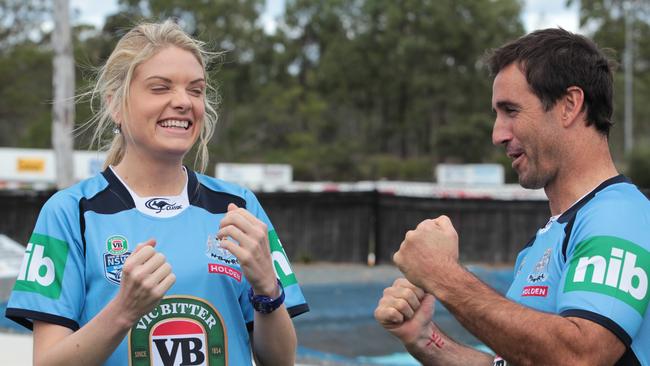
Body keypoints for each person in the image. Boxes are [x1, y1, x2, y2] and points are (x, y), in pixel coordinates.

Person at [5, 20, 308, 366]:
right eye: (160, 88)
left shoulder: (238, 207)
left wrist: (268, 290)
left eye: (195, 90)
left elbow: (281, 360)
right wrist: (122, 311)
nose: (183, 102)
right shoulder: (70, 212)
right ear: (115, 105)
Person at [374, 28, 650, 365]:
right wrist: (426, 339)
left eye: (511, 111)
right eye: (496, 115)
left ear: (569, 105)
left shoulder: (620, 216)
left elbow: (580, 356)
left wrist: (442, 274)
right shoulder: (543, 242)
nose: (497, 134)